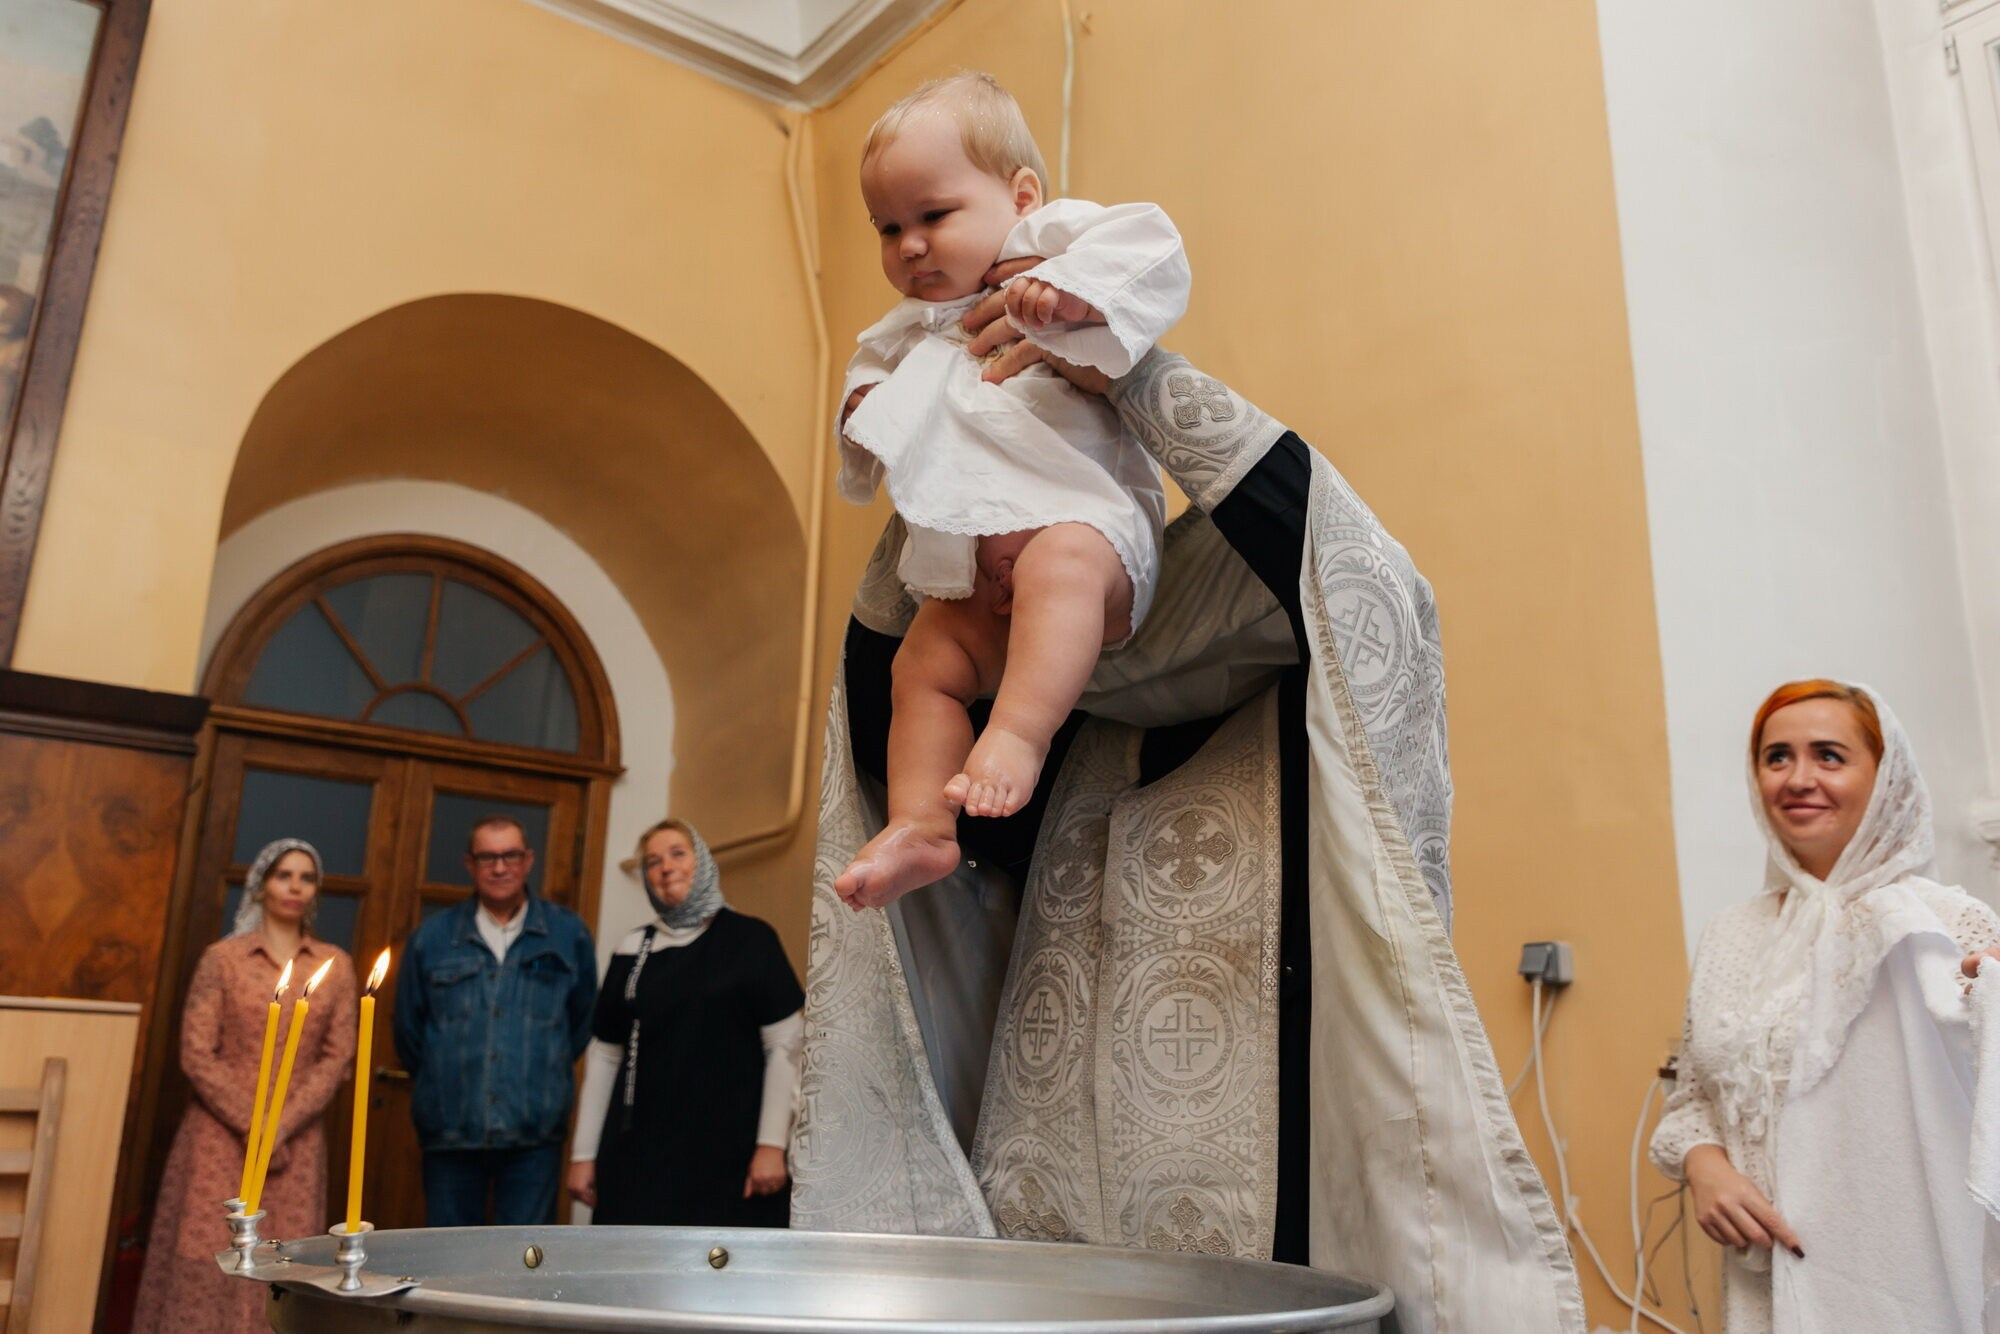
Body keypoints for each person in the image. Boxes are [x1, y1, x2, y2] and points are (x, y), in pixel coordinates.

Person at [796, 297, 1585, 1331]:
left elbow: (1343, 560)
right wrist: (955, 444)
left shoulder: (1311, 725)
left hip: (1268, 1181)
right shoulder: (1057, 711)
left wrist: (1130, 375)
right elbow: (888, 699)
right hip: (1048, 1177)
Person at [832, 71, 1190, 907]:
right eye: (888, 227)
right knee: (923, 666)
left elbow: (1155, 249)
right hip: (971, 568)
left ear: (1020, 195)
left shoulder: (1057, 243)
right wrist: (857, 408)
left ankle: (1018, 737)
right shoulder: (901, 331)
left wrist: (1071, 292)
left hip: (1084, 531)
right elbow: (866, 390)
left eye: (933, 215)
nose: (910, 245)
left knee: (1061, 560)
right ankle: (922, 825)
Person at [1650, 680, 2000, 1332]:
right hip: (1767, 1281)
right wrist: (1705, 1166)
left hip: (1906, 1283)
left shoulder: (1945, 921)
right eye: (1776, 757)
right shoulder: (1733, 934)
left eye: (1829, 756)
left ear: (1885, 777)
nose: (1797, 778)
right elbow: (1696, 1096)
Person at [134, 840, 356, 1334]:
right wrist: (254, 1122)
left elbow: (338, 1056)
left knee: (283, 1261)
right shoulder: (224, 958)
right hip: (218, 1137)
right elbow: (195, 1051)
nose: (296, 886)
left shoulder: (333, 965)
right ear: (261, 884)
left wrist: (281, 1124)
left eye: (307, 877)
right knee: (206, 1253)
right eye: (284, 875)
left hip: (296, 1142)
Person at [565, 819, 804, 1226]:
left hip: (732, 1151)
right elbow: (605, 1056)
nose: (665, 867)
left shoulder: (751, 940)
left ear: (704, 862)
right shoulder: (632, 948)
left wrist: (771, 1145)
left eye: (678, 853)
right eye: (652, 862)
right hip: (641, 1150)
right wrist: (583, 1155)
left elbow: (785, 1046)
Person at [393, 815, 597, 1226]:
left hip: (535, 1136)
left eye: (510, 855)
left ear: (528, 860)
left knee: (522, 1265)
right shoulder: (432, 939)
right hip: (450, 1131)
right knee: (449, 1265)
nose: (500, 867)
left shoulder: (567, 934)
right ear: (470, 864)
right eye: (488, 857)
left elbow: (581, 1024)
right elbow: (409, 1033)